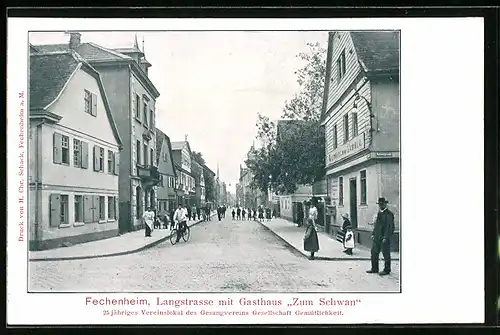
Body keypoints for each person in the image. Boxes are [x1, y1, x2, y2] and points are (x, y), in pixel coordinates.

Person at [367, 197, 395, 276]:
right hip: (377, 237)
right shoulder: (379, 213)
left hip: (384, 238)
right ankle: (374, 268)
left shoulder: (389, 214)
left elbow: (389, 227)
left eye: (382, 204)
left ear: (386, 204)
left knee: (386, 254)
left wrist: (386, 237)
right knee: (374, 253)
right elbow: (377, 225)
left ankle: (387, 270)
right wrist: (373, 234)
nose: (381, 206)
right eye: (379, 204)